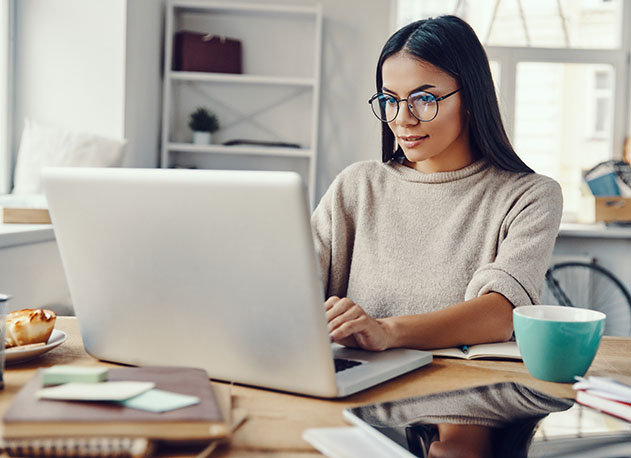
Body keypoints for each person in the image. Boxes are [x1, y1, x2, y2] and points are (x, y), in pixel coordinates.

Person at [311, 15, 563, 351]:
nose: (402, 119)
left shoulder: (529, 197)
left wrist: (387, 331)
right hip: (357, 388)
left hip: (466, 394)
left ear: (471, 99)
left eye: (423, 99)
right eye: (389, 100)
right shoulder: (356, 186)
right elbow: (295, 286)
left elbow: (500, 314)